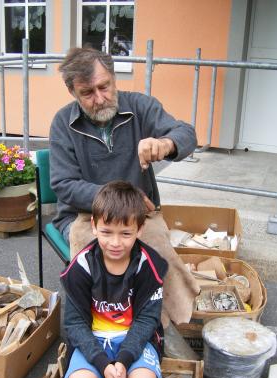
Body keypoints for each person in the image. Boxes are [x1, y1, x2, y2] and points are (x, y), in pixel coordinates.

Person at [49, 46, 200, 327]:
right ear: (73, 93)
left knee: (156, 254)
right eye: (87, 93)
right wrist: (120, 200)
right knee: (100, 257)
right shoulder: (62, 124)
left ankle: (164, 327)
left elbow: (187, 133)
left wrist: (165, 143)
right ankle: (96, 328)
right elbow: (64, 185)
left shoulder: (140, 107)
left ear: (113, 78)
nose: (99, 98)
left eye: (104, 87)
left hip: (140, 214)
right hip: (85, 215)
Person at [51, 181, 170, 378]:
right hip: (93, 341)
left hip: (136, 341)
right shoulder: (81, 265)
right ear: (93, 226)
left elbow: (146, 321)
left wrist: (125, 360)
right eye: (106, 232)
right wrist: (104, 363)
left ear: (140, 229)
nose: (115, 243)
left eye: (126, 233)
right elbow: (74, 324)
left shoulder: (147, 266)